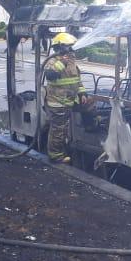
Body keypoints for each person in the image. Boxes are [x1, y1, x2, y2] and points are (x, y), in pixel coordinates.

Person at [42, 32, 87, 164]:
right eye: (69, 47)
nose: (71, 50)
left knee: (90, 106)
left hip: (70, 100)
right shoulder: (52, 61)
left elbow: (76, 79)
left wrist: (82, 93)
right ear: (61, 48)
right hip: (57, 102)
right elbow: (50, 75)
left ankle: (92, 124)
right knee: (59, 130)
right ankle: (55, 155)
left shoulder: (72, 60)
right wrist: (61, 62)